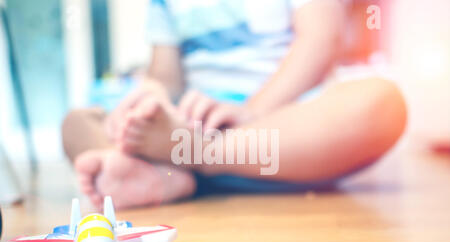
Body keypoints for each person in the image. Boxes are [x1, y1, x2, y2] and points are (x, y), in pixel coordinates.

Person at [62, 0, 407, 209]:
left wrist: (253, 111)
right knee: (77, 123)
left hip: (279, 133)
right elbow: (166, 77)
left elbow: (322, 38)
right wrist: (150, 100)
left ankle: (200, 157)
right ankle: (165, 175)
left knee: (382, 102)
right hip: (188, 130)